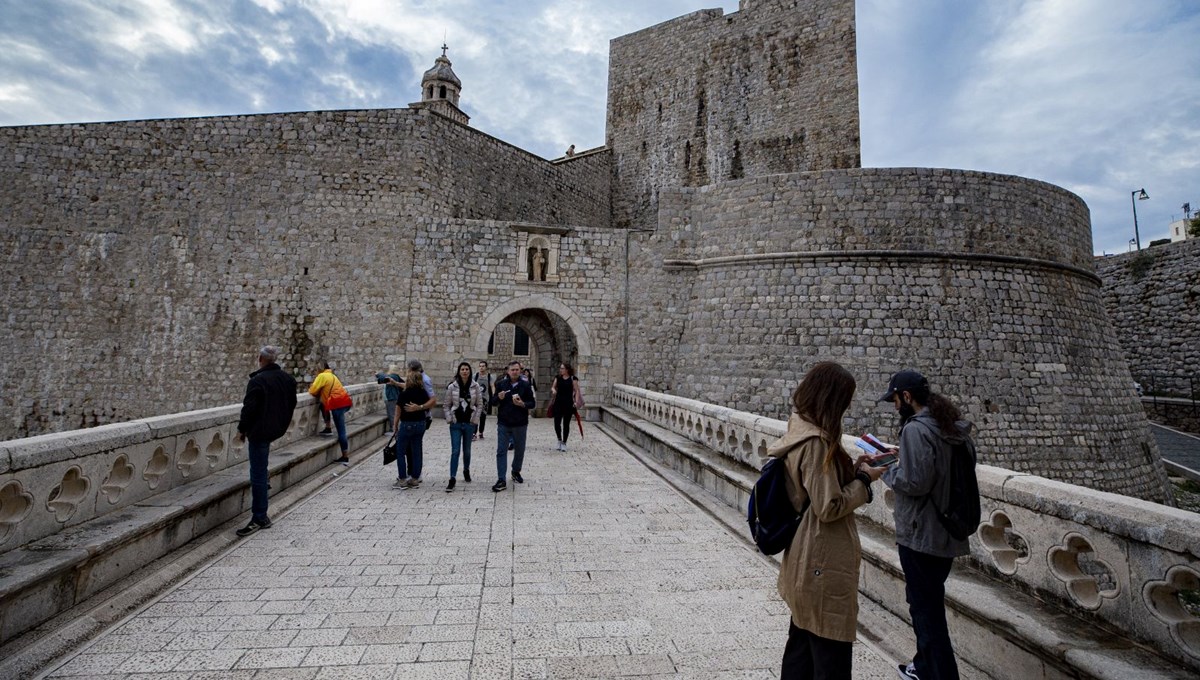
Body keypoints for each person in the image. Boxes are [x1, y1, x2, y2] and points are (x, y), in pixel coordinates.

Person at [771, 362, 883, 680]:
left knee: (802, 648)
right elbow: (828, 505)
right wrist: (864, 481)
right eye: (845, 400)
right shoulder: (816, 443)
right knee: (829, 652)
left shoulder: (799, 429)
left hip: (803, 558)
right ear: (831, 400)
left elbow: (817, 487)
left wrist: (851, 469)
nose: (847, 407)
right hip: (820, 558)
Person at [878, 370, 974, 680]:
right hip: (946, 532)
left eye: (895, 399)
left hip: (921, 534)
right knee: (927, 603)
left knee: (926, 612)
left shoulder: (915, 431)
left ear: (907, 397)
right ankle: (922, 665)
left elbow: (915, 481)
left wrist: (886, 470)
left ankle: (939, 674)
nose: (895, 406)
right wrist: (903, 458)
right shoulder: (954, 429)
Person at [234, 346, 297, 537]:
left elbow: (249, 409)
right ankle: (263, 497)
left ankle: (260, 517)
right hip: (276, 429)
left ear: (260, 358)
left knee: (258, 473)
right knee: (262, 466)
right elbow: (292, 402)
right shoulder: (288, 379)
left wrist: (241, 429)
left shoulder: (258, 380)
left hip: (259, 431)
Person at [490, 360, 536, 492]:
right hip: (504, 422)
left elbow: (532, 403)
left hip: (520, 423)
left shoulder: (526, 385)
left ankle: (516, 471)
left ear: (520, 371)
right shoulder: (501, 384)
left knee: (520, 450)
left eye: (517, 369)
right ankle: (501, 479)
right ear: (508, 371)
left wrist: (522, 404)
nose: (515, 372)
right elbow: (493, 402)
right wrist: (499, 397)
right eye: (512, 370)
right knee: (501, 451)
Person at [391, 363, 436, 489]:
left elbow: (397, 412)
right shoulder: (423, 393)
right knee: (417, 451)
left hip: (406, 425)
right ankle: (415, 479)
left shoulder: (404, 394)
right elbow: (431, 402)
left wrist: (395, 426)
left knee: (401, 452)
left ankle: (402, 479)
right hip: (420, 424)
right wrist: (420, 408)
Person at [444, 362, 484, 491]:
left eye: (467, 369)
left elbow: (479, 404)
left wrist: (475, 420)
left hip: (469, 423)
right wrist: (450, 418)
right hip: (456, 423)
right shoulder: (452, 387)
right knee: (455, 451)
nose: (465, 371)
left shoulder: (475, 386)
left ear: (470, 371)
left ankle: (466, 470)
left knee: (467, 450)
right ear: (459, 371)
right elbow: (446, 405)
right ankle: (452, 478)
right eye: (462, 369)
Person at [309, 362, 353, 464]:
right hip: (345, 401)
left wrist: (314, 387)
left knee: (341, 431)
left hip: (337, 404)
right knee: (322, 405)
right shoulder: (332, 375)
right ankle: (328, 428)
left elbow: (313, 390)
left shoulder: (322, 376)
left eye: (316, 369)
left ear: (319, 369)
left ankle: (345, 457)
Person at [549, 362, 581, 452]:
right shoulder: (558, 378)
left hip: (568, 403)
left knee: (566, 424)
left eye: (562, 368)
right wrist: (554, 390)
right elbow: (553, 387)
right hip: (558, 403)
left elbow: (576, 391)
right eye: (560, 368)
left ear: (567, 370)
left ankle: (564, 442)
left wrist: (576, 402)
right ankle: (559, 439)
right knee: (556, 423)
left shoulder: (573, 379)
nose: (560, 370)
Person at [380, 363, 402, 434]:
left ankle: (394, 430)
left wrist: (378, 374)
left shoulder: (392, 376)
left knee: (392, 414)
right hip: (394, 397)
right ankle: (393, 429)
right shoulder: (396, 376)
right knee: (393, 414)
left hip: (391, 398)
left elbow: (382, 378)